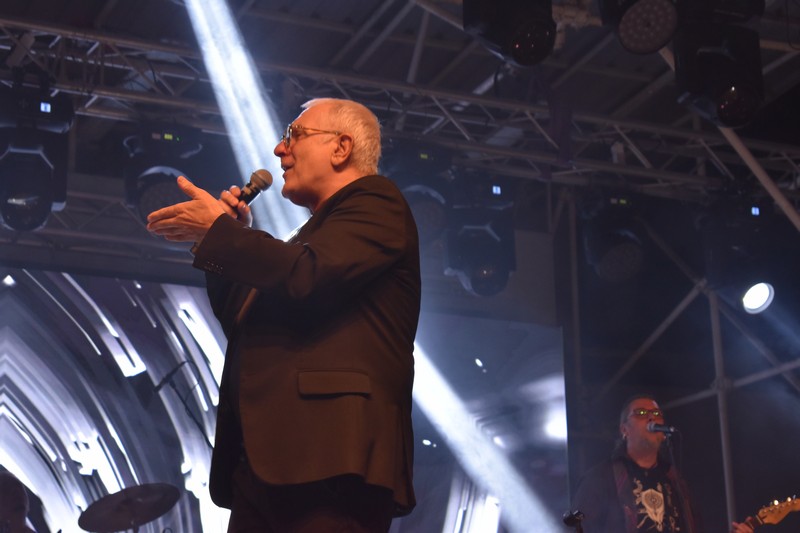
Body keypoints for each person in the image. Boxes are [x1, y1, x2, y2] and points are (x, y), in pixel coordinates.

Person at [147, 98, 421, 532]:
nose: (279, 149)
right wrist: (228, 239)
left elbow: (307, 276)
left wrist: (221, 233)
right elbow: (244, 318)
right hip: (267, 462)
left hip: (332, 458)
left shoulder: (376, 202)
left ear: (341, 147)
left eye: (294, 134)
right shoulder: (307, 236)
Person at [571, 395, 755, 533]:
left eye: (657, 413)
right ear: (624, 429)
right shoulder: (602, 478)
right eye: (641, 413)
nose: (651, 417)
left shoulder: (676, 482)